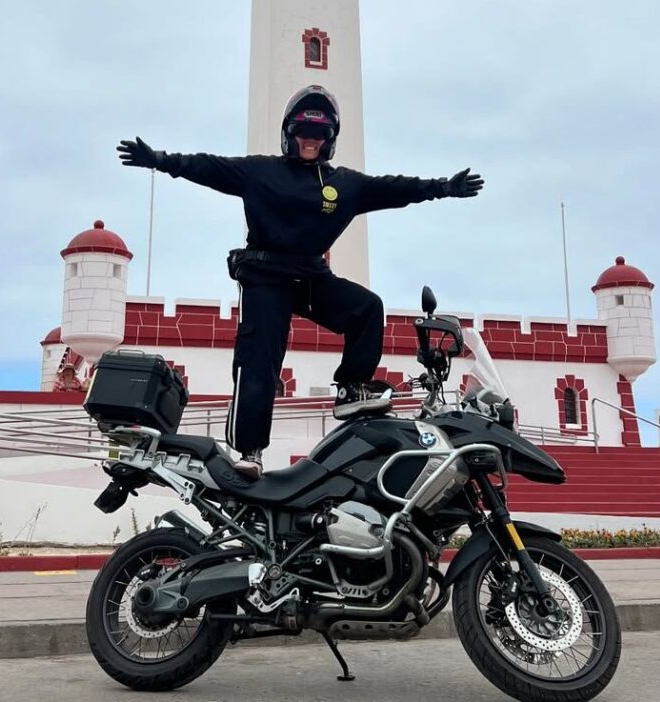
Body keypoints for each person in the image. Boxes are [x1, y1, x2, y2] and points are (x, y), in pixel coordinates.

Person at [118, 85, 482, 477]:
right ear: (288, 134)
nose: (310, 141)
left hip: (310, 276)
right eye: (303, 133)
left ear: (330, 140)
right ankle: (249, 451)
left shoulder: (344, 184)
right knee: (261, 358)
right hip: (265, 275)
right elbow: (207, 166)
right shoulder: (260, 171)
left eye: (320, 135)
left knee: (366, 307)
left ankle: (351, 388)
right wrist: (158, 159)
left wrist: (444, 188)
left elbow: (395, 188)